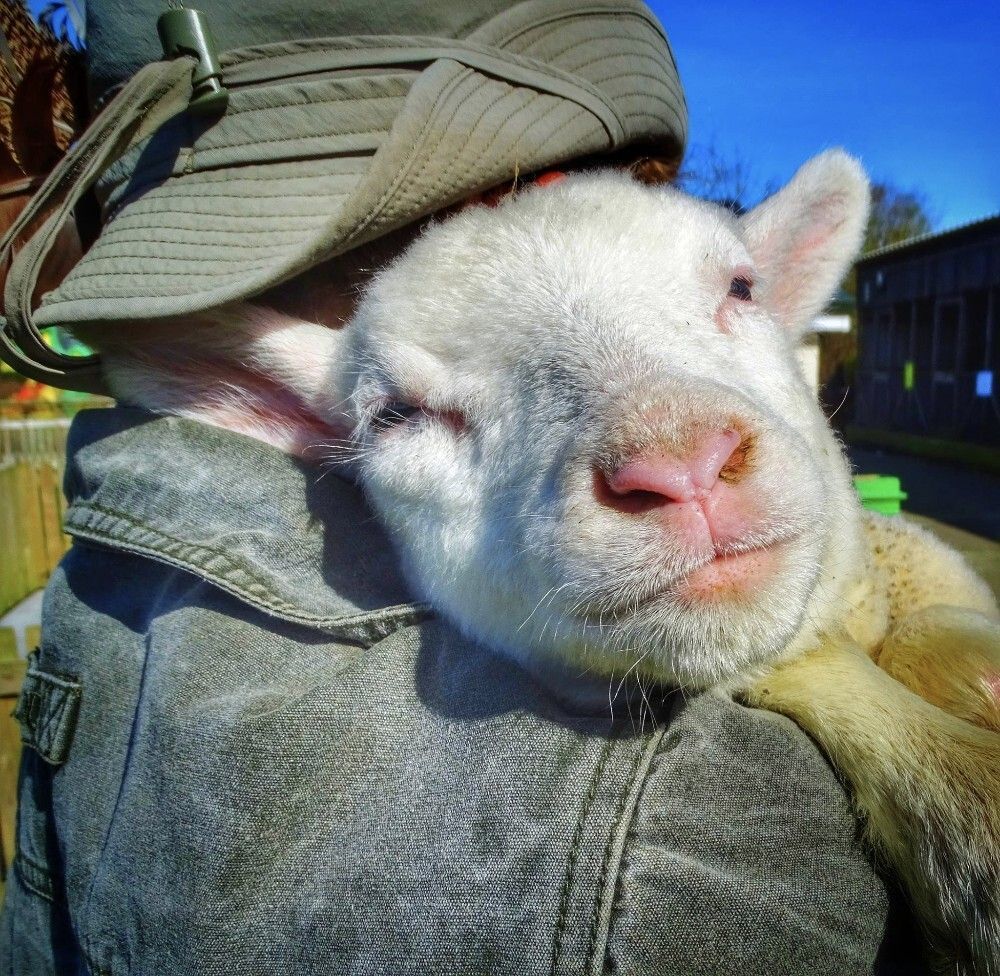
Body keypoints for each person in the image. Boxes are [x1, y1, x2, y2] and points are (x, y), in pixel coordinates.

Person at [0, 1, 925, 972]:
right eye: (401, 410)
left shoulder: (110, 583)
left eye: (736, 292)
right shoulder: (668, 850)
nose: (672, 455)